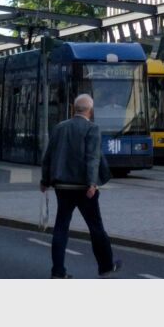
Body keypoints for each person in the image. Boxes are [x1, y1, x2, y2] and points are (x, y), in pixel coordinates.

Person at [40, 94, 121, 279]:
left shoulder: (59, 128)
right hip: (84, 188)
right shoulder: (92, 128)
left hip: (63, 187)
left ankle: (58, 271)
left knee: (61, 227)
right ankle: (106, 266)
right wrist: (92, 183)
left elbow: (48, 156)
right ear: (90, 111)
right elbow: (92, 158)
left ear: (73, 109)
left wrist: (45, 181)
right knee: (96, 227)